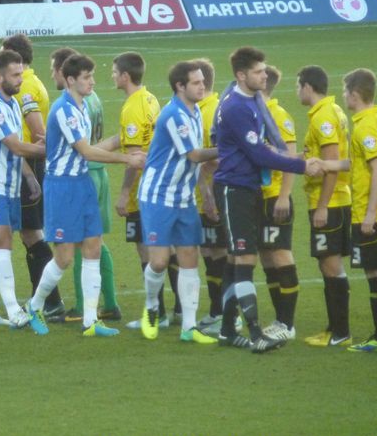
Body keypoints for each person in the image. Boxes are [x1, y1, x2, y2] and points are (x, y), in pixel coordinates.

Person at [25, 54, 145, 337]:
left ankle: (91, 321)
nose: (93, 81)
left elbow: (92, 148)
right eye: (87, 77)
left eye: (92, 76)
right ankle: (35, 305)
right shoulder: (64, 110)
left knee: (93, 247)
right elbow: (87, 151)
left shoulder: (81, 107)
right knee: (65, 256)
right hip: (63, 187)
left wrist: (124, 139)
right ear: (70, 80)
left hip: (81, 183)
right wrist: (127, 159)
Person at [212, 47, 322, 352]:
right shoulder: (236, 107)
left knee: (236, 260)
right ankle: (256, 332)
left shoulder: (250, 100)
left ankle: (225, 330)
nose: (265, 75)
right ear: (241, 75)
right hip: (234, 190)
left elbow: (264, 147)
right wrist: (301, 165)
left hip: (247, 188)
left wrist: (294, 158)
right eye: (259, 71)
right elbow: (258, 153)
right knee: (245, 260)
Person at [136, 61, 219, 344]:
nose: (202, 86)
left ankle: (189, 327)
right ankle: (151, 308)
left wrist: (205, 193)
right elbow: (194, 155)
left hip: (184, 198)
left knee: (189, 258)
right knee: (159, 261)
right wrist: (229, 149)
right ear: (179, 87)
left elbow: (193, 163)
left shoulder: (194, 112)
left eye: (202, 81)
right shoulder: (173, 115)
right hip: (159, 196)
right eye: (196, 82)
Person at [0, 50, 45, 328]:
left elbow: (15, 148)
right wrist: (47, 150)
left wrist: (29, 177)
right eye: (15, 75)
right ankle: (14, 310)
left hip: (10, 184)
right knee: (2, 243)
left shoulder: (12, 104)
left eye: (22, 74)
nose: (20, 80)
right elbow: (15, 145)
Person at [53, 49, 121, 322]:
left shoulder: (75, 104)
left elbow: (85, 147)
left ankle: (83, 306)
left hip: (85, 173)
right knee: (96, 241)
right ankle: (111, 302)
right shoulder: (94, 99)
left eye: (54, 69)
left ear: (66, 75)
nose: (52, 74)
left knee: (83, 242)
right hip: (99, 171)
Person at [0, 34, 63, 319]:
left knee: (31, 233)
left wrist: (31, 161)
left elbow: (38, 132)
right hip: (29, 163)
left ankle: (50, 301)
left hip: (29, 165)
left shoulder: (25, 85)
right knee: (28, 234)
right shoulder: (34, 81)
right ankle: (43, 298)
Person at [113, 52, 177, 328]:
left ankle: (157, 312)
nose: (112, 76)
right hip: (161, 184)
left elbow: (135, 158)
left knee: (147, 250)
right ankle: (179, 311)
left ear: (125, 76)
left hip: (143, 191)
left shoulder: (131, 108)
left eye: (115, 72)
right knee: (167, 248)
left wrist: (125, 192)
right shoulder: (150, 99)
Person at [327, 69, 377, 352]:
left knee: (376, 274)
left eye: (345, 91)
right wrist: (324, 164)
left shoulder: (364, 127)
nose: (344, 96)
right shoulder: (376, 120)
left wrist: (371, 213)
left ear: (353, 94)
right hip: (376, 210)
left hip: (373, 212)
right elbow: (358, 163)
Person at [297, 65, 353, 347]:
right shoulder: (329, 113)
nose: (297, 92)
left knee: (331, 266)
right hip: (331, 201)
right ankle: (334, 329)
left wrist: (322, 207)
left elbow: (332, 164)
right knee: (327, 265)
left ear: (308, 87)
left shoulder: (324, 118)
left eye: (298, 86)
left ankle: (341, 332)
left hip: (330, 203)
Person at [257, 66, 300, 341]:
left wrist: (284, 195)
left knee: (281, 254)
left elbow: (291, 159)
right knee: (266, 256)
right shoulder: (258, 114)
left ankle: (288, 323)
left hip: (275, 198)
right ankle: (279, 319)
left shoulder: (279, 116)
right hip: (258, 198)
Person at [192, 59, 230, 336]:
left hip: (213, 196)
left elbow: (213, 160)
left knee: (219, 253)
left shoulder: (209, 113)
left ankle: (227, 313)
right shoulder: (203, 110)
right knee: (209, 252)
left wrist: (208, 196)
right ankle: (217, 310)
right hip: (205, 196)